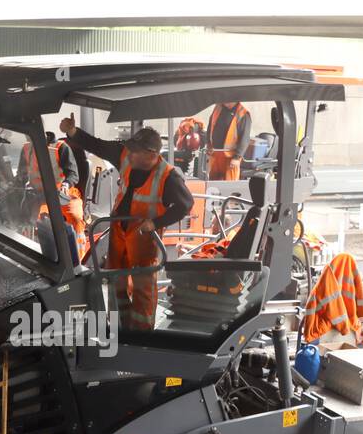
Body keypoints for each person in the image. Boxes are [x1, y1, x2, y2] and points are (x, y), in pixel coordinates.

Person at [60, 117, 193, 330]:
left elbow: (185, 205)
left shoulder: (169, 177)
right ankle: (119, 328)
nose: (129, 154)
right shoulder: (125, 156)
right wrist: (74, 131)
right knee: (115, 281)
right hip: (119, 234)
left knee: (143, 289)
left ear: (151, 154)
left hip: (143, 239)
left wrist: (156, 222)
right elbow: (98, 145)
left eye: (135, 151)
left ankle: (142, 335)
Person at [20, 133, 87, 262]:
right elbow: (21, 173)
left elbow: (73, 174)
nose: (29, 140)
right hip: (37, 194)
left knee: (75, 218)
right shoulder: (26, 148)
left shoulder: (61, 148)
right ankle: (31, 257)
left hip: (62, 194)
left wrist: (66, 184)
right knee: (26, 219)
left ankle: (78, 260)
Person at [207, 101, 251, 180]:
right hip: (215, 155)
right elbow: (210, 127)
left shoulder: (243, 114)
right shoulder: (218, 108)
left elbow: (245, 138)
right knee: (213, 186)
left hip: (231, 158)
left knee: (230, 186)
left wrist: (237, 158)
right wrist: (208, 145)